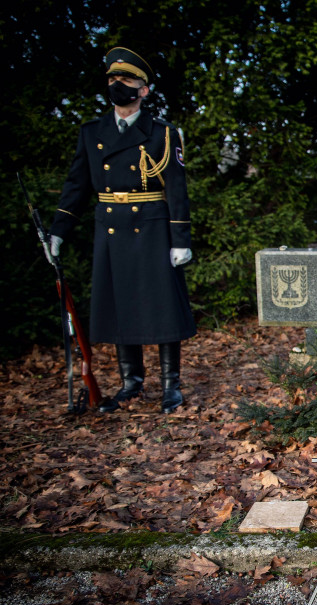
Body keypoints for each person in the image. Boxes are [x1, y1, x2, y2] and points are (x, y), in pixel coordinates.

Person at [48, 47, 196, 414]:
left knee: (163, 308)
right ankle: (131, 382)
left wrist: (180, 240)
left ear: (144, 90)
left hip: (151, 228)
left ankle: (170, 386)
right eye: (113, 80)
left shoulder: (162, 134)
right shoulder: (91, 133)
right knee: (119, 306)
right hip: (110, 228)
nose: (118, 85)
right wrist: (58, 232)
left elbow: (176, 189)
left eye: (126, 80)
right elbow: (77, 187)